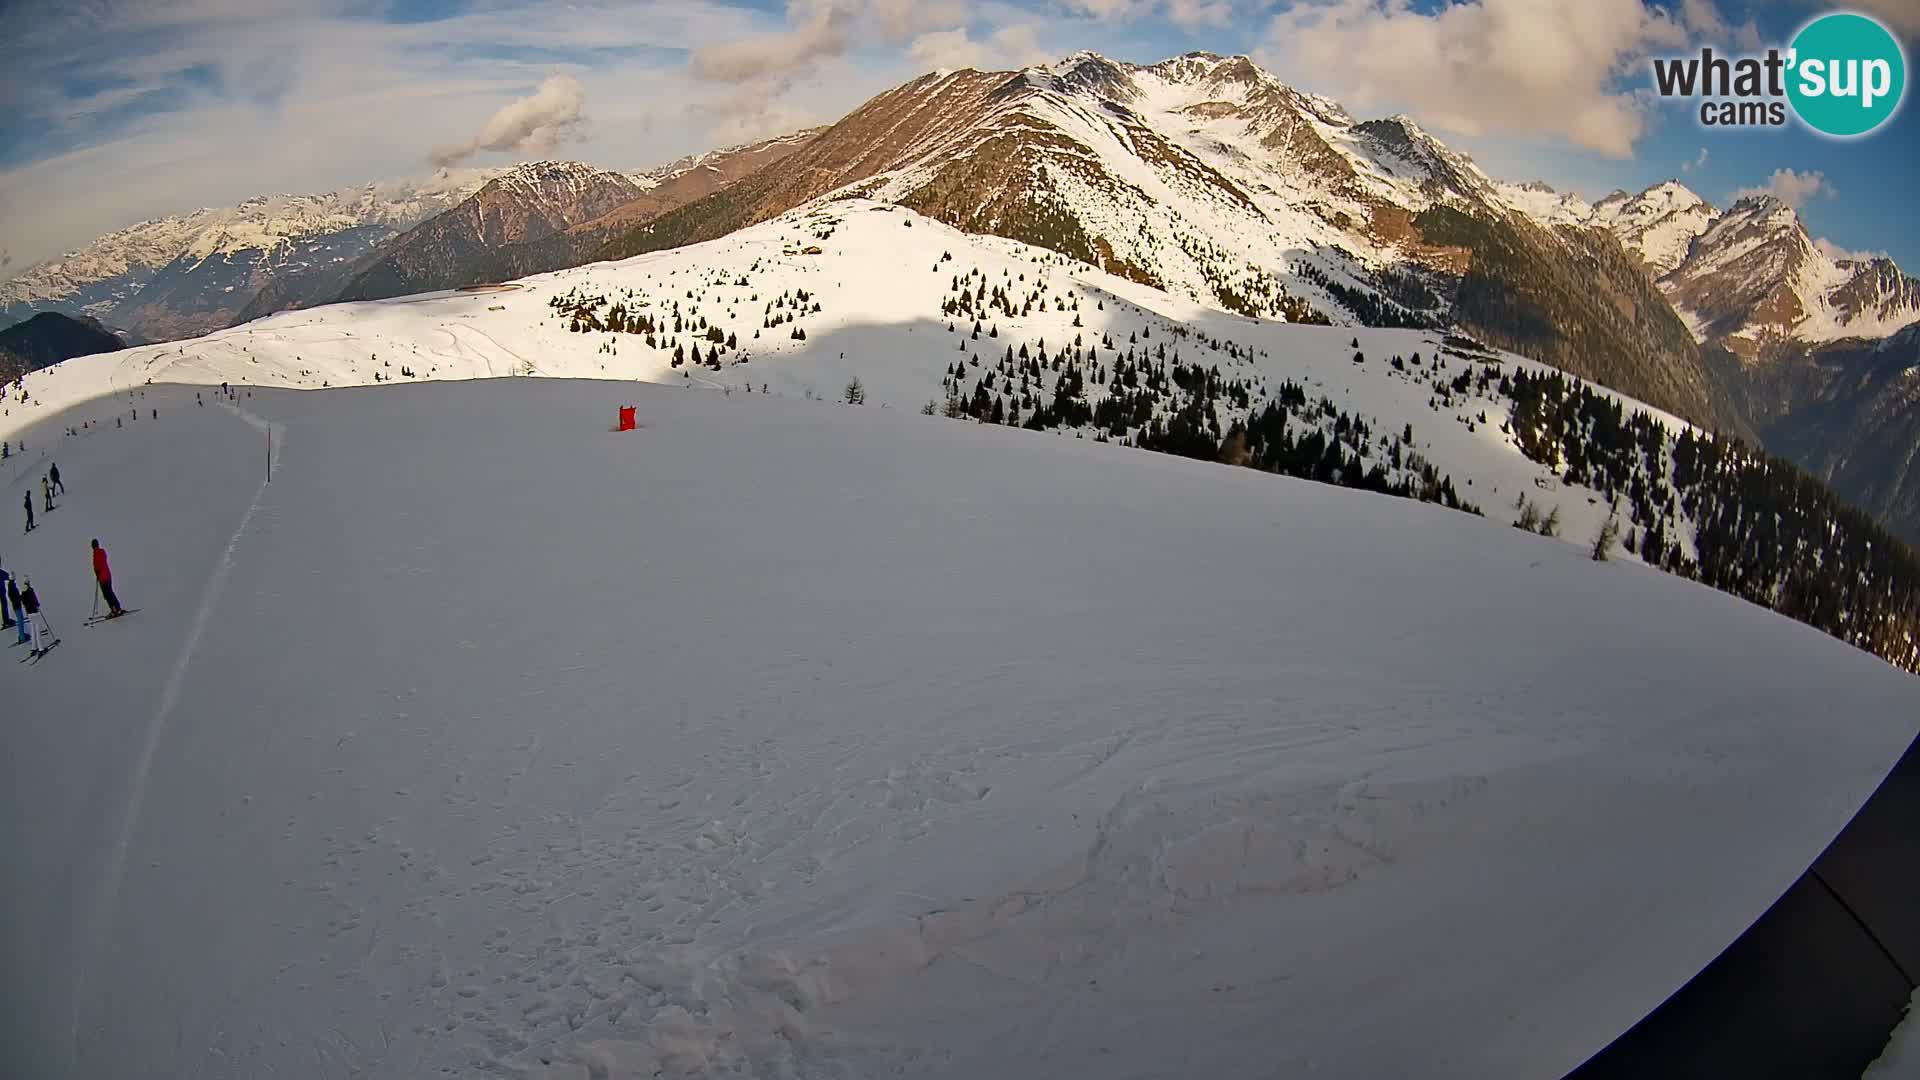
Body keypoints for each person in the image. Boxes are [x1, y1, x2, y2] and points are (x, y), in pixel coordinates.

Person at [91, 539, 124, 617]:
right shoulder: (102, 551)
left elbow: (97, 565)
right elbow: (102, 562)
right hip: (108, 575)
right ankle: (117, 607)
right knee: (110, 592)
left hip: (103, 578)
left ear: (93, 546)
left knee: (107, 594)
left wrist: (97, 572)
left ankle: (114, 610)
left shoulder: (95, 554)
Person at [20, 578, 48, 657]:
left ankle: (33, 648)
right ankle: (41, 649)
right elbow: (35, 600)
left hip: (29, 613)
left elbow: (23, 602)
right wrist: (37, 605)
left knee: (32, 630)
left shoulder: (22, 592)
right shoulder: (30, 590)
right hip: (35, 612)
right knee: (37, 630)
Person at [7, 572, 25, 645]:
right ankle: (22, 637)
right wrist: (21, 597)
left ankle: (22, 636)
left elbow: (14, 596)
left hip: (16, 604)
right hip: (17, 605)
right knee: (20, 621)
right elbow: (14, 596)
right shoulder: (11, 586)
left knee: (21, 619)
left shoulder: (11, 585)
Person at [0, 563, 12, 630]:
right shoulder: (1, 572)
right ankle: (6, 621)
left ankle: (6, 621)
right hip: (1, 592)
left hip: (1, 592)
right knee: (4, 606)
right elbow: (7, 576)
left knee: (3, 607)